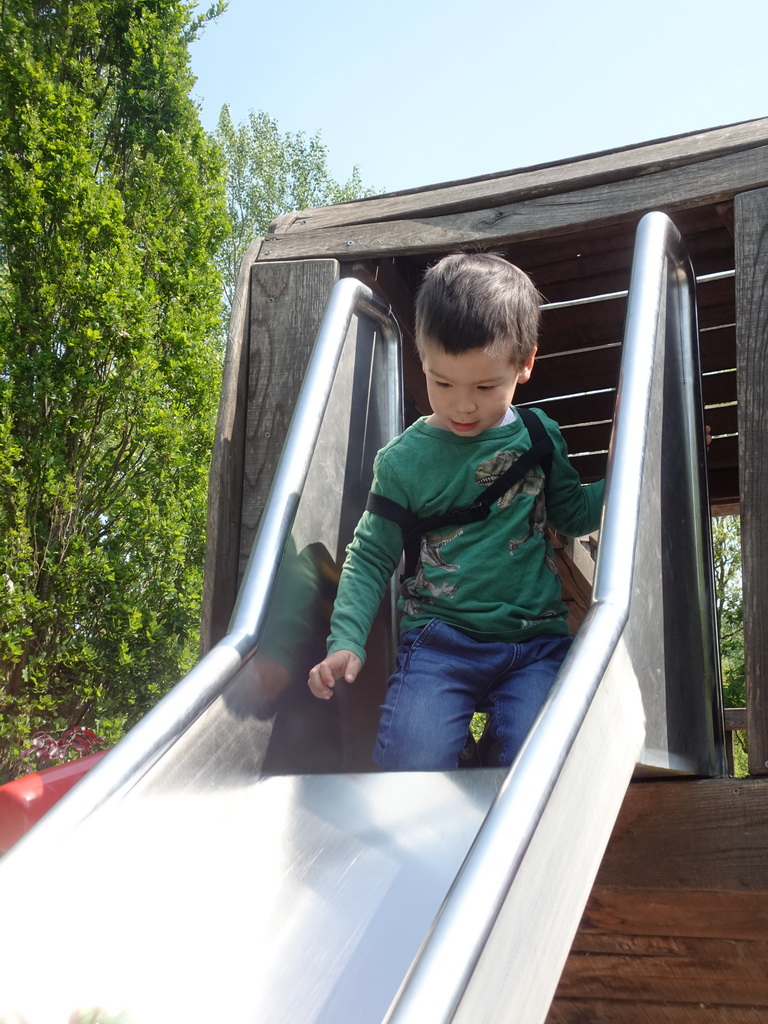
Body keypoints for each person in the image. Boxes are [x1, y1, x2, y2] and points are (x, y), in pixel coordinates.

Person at [307, 252, 604, 770]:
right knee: (409, 764)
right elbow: (371, 556)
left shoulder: (538, 437)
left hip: (534, 643)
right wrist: (346, 640)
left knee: (532, 765)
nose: (462, 406)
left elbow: (574, 514)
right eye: (442, 383)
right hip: (441, 642)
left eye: (485, 387)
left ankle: (489, 771)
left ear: (525, 363)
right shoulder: (404, 463)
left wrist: (634, 478)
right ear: (422, 359)